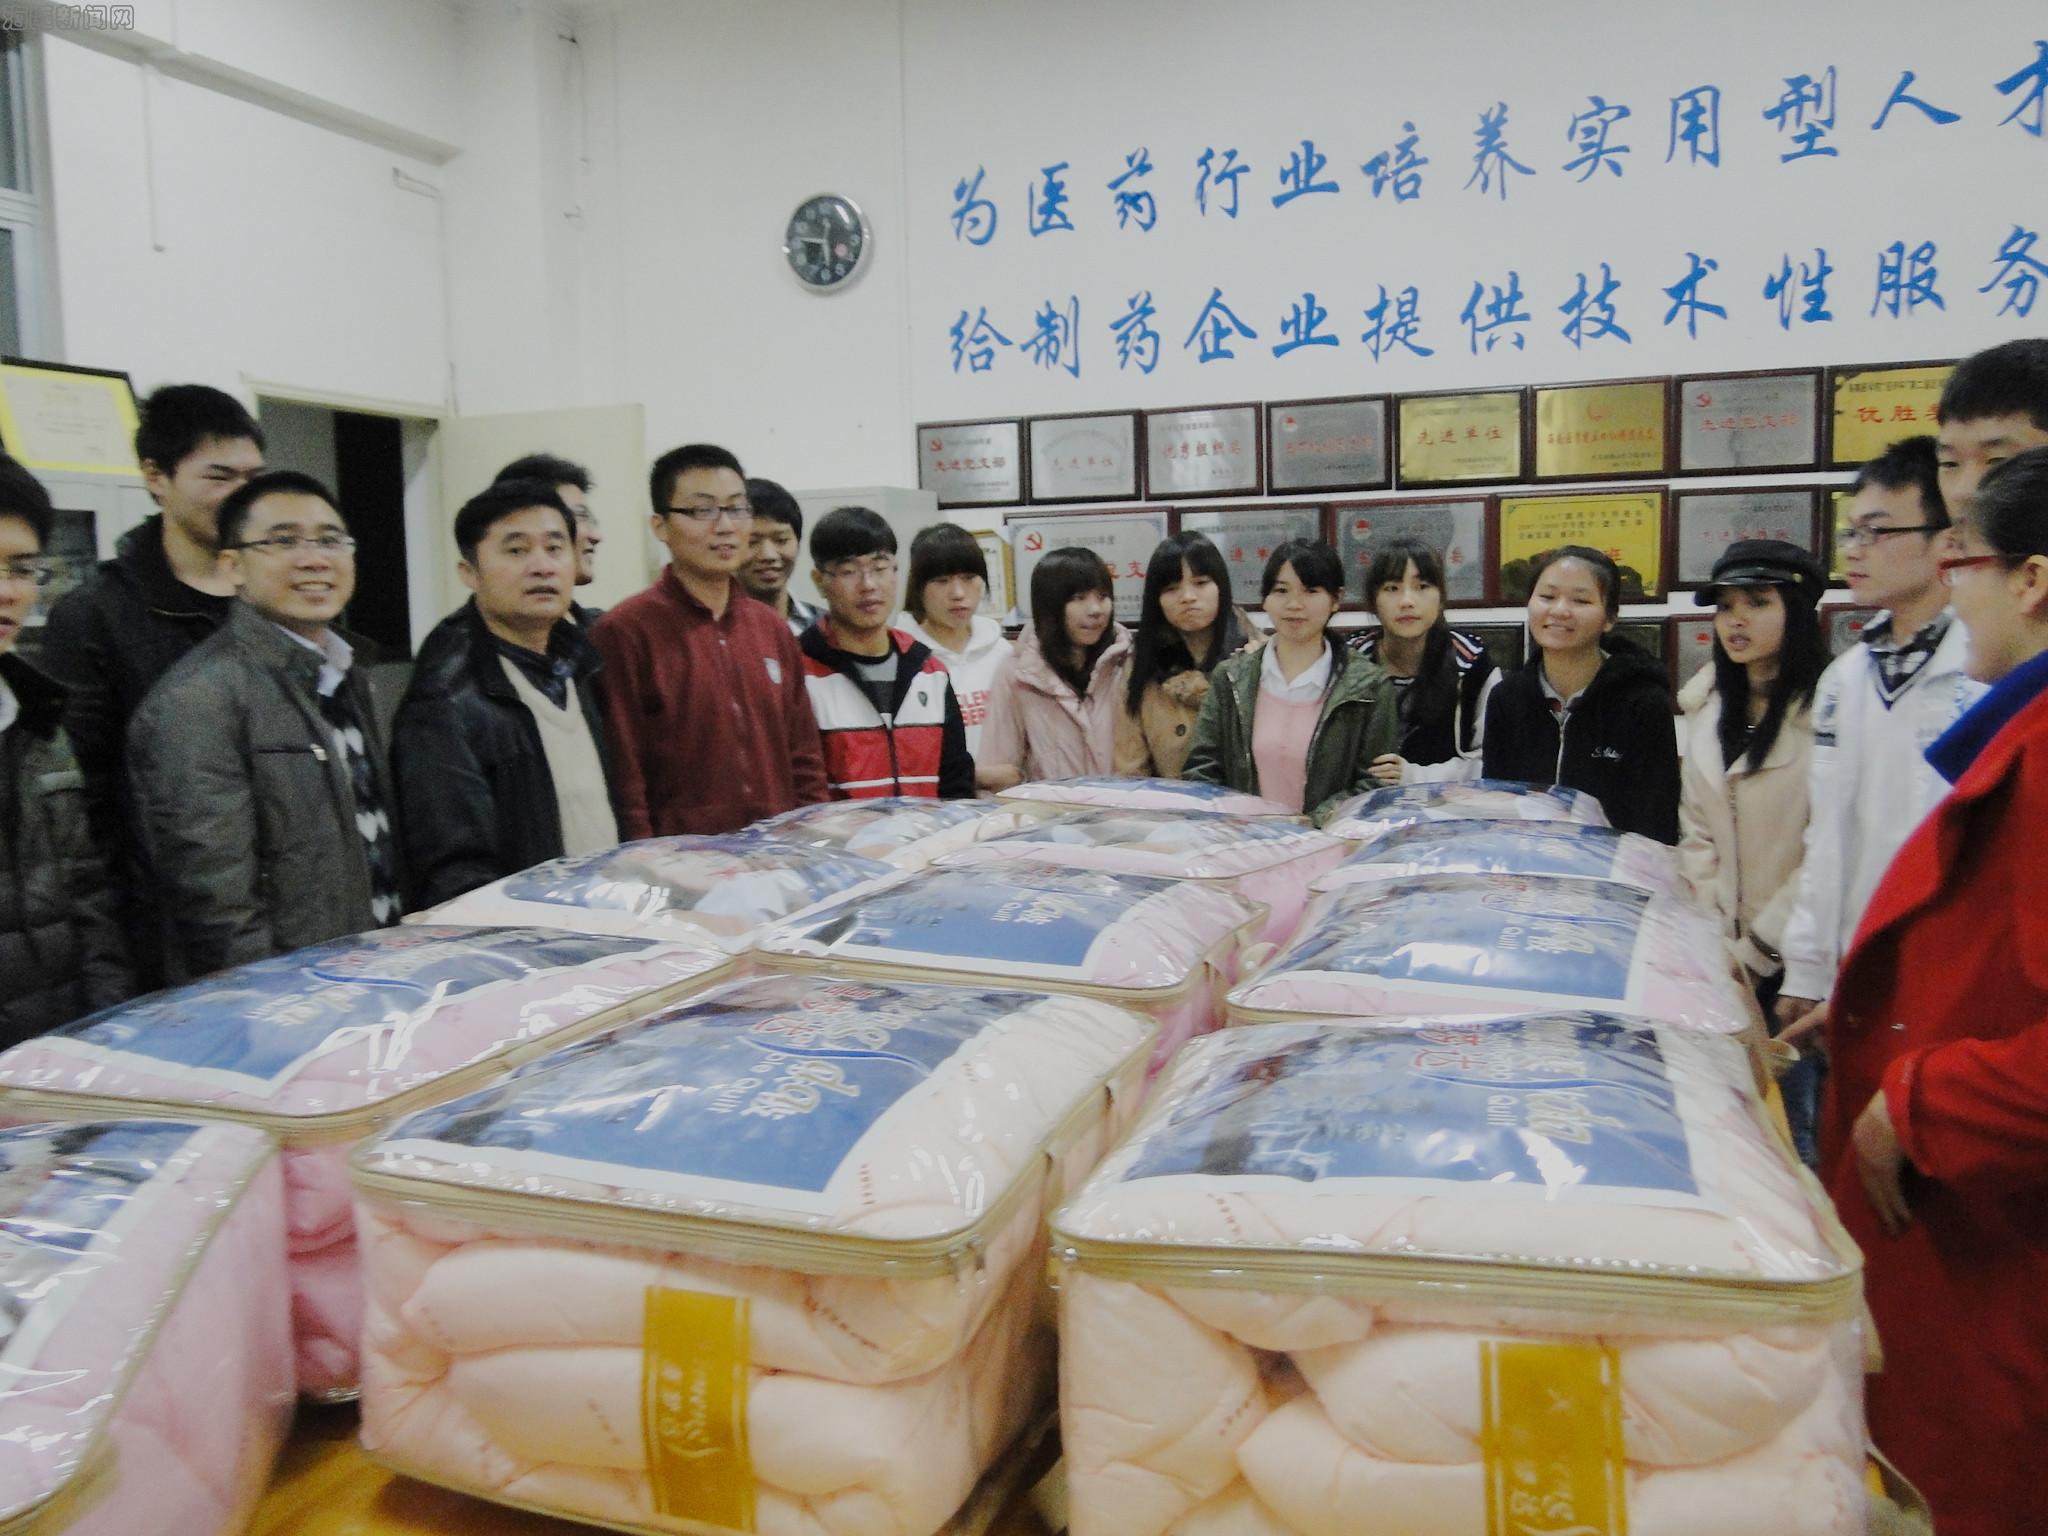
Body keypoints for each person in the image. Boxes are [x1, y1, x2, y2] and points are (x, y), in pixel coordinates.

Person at [1814, 447, 2048, 1536]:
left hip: (1991, 1225)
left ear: (2030, 580)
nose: (1957, 597)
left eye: (1966, 564)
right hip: (1959, 1229)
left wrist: (1918, 1103)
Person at [128, 471, 402, 980]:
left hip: (375, 970)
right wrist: (277, 1003)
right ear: (232, 566)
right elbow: (216, 904)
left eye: (330, 540)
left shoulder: (350, 674)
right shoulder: (198, 701)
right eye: (284, 541)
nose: (314, 559)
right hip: (292, 995)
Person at [37, 384, 264, 984]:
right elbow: (81, 810)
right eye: (219, 476)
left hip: (277, 914)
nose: (243, 495)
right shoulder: (95, 616)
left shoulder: (277, 601)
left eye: (253, 477)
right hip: (159, 933)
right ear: (156, 477)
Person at [1775, 439, 1980, 1049]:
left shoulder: (1983, 668)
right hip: (1852, 971)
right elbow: (1827, 833)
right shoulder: (1848, 676)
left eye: (1877, 531)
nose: (1854, 550)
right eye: (1850, 533)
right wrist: (1807, 966)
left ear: (1946, 541)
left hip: (1949, 979)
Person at [392, 480, 618, 908]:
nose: (542, 566)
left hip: (609, 917)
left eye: (555, 548)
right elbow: (454, 869)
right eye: (516, 550)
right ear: (469, 573)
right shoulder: (445, 696)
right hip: (530, 934)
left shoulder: (587, 664)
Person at [1676, 540, 1828, 1147]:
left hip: (1797, 969)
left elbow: (1827, 850)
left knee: (1797, 1130)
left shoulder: (1827, 714)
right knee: (1729, 1131)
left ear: (1797, 611)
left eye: (1758, 603)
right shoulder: (1708, 707)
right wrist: (1715, 943)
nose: (1736, 620)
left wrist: (1758, 949)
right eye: (1726, 606)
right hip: (1720, 964)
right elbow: (1696, 834)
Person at [591, 444, 825, 837]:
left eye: (737, 508)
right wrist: (643, 859)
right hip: (682, 862)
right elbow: (626, 774)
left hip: (777, 855)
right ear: (660, 526)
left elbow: (804, 758)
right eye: (703, 510)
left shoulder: (771, 628)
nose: (725, 526)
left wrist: (814, 843)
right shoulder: (625, 631)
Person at [0, 455, 131, 1046]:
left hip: (56, 1060)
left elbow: (88, 902)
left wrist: (108, 1039)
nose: (9, 593)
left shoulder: (39, 719)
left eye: (22, 569)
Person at [1182, 540, 1399, 823]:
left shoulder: (1369, 686)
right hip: (1243, 840)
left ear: (1336, 599)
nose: (1294, 605)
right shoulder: (1231, 678)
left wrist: (1312, 823)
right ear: (1265, 599)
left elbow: (1376, 783)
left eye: (1310, 591)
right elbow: (1202, 770)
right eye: (1281, 591)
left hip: (1331, 842)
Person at [1481, 545, 1680, 842]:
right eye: (1547, 597)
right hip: (1523, 863)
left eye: (1581, 600)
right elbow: (1496, 805)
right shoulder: (1506, 698)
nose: (1560, 610)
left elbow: (1655, 821)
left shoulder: (1643, 701)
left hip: (1616, 865)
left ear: (1609, 618)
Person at [797, 506, 973, 800]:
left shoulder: (929, 672)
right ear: (819, 581)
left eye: (880, 568)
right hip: (835, 832)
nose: (868, 585)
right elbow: (798, 788)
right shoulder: (800, 674)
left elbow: (956, 784)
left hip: (925, 831)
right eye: (849, 571)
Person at [1352, 536, 1500, 785]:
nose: (1407, 601)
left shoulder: (1472, 662)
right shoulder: (1352, 661)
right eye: (1392, 588)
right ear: (1373, 600)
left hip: (1447, 804)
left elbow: (1493, 758)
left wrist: (1414, 776)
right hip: (1359, 801)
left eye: (1422, 586)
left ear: (1441, 597)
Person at [979, 547, 1131, 788]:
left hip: (1125, 809)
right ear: (1050, 605)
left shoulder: (1127, 662)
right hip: (1049, 811)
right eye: (1079, 598)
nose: (1095, 610)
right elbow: (999, 770)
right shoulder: (1016, 673)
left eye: (1103, 596)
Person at [1115, 531, 1259, 780]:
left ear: (1221, 587)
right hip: (1169, 802)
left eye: (1201, 583)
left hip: (1247, 802)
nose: (1188, 597)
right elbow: (1131, 770)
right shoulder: (1142, 665)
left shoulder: (1255, 656)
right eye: (1171, 588)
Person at [895, 522, 1010, 770]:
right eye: (941, 581)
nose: (958, 593)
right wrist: (976, 777)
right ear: (918, 587)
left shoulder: (1002, 653)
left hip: (1007, 792)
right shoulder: (902, 658)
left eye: (969, 578)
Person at [493, 452, 603, 622]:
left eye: (590, 520)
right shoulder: (464, 637)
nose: (596, 536)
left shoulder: (604, 628)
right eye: (581, 517)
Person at [740, 476, 821, 635]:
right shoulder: (710, 634)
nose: (768, 555)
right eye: (752, 542)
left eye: (781, 540)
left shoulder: (827, 630)